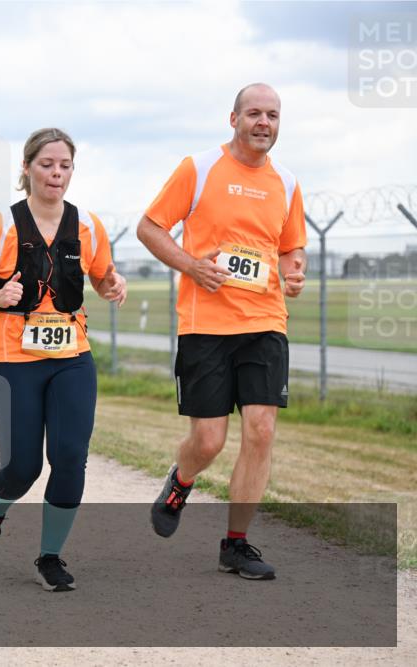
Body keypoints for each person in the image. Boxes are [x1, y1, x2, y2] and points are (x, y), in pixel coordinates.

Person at [136, 83, 307, 581]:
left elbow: (291, 248)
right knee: (209, 440)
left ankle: (236, 545)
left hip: (264, 323)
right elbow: (150, 228)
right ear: (233, 118)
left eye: (272, 115)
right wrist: (191, 265)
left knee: (261, 429)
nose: (263, 123)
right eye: (254, 113)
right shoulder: (200, 168)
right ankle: (181, 479)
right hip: (205, 325)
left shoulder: (288, 182)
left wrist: (294, 272)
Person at [0, 128, 127, 592]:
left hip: (72, 357)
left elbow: (103, 275)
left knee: (71, 457)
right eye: (47, 164)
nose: (56, 173)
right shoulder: (2, 226)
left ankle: (50, 556)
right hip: (13, 360)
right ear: (27, 168)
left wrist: (114, 285)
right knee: (23, 467)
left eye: (65, 165)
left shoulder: (88, 225)